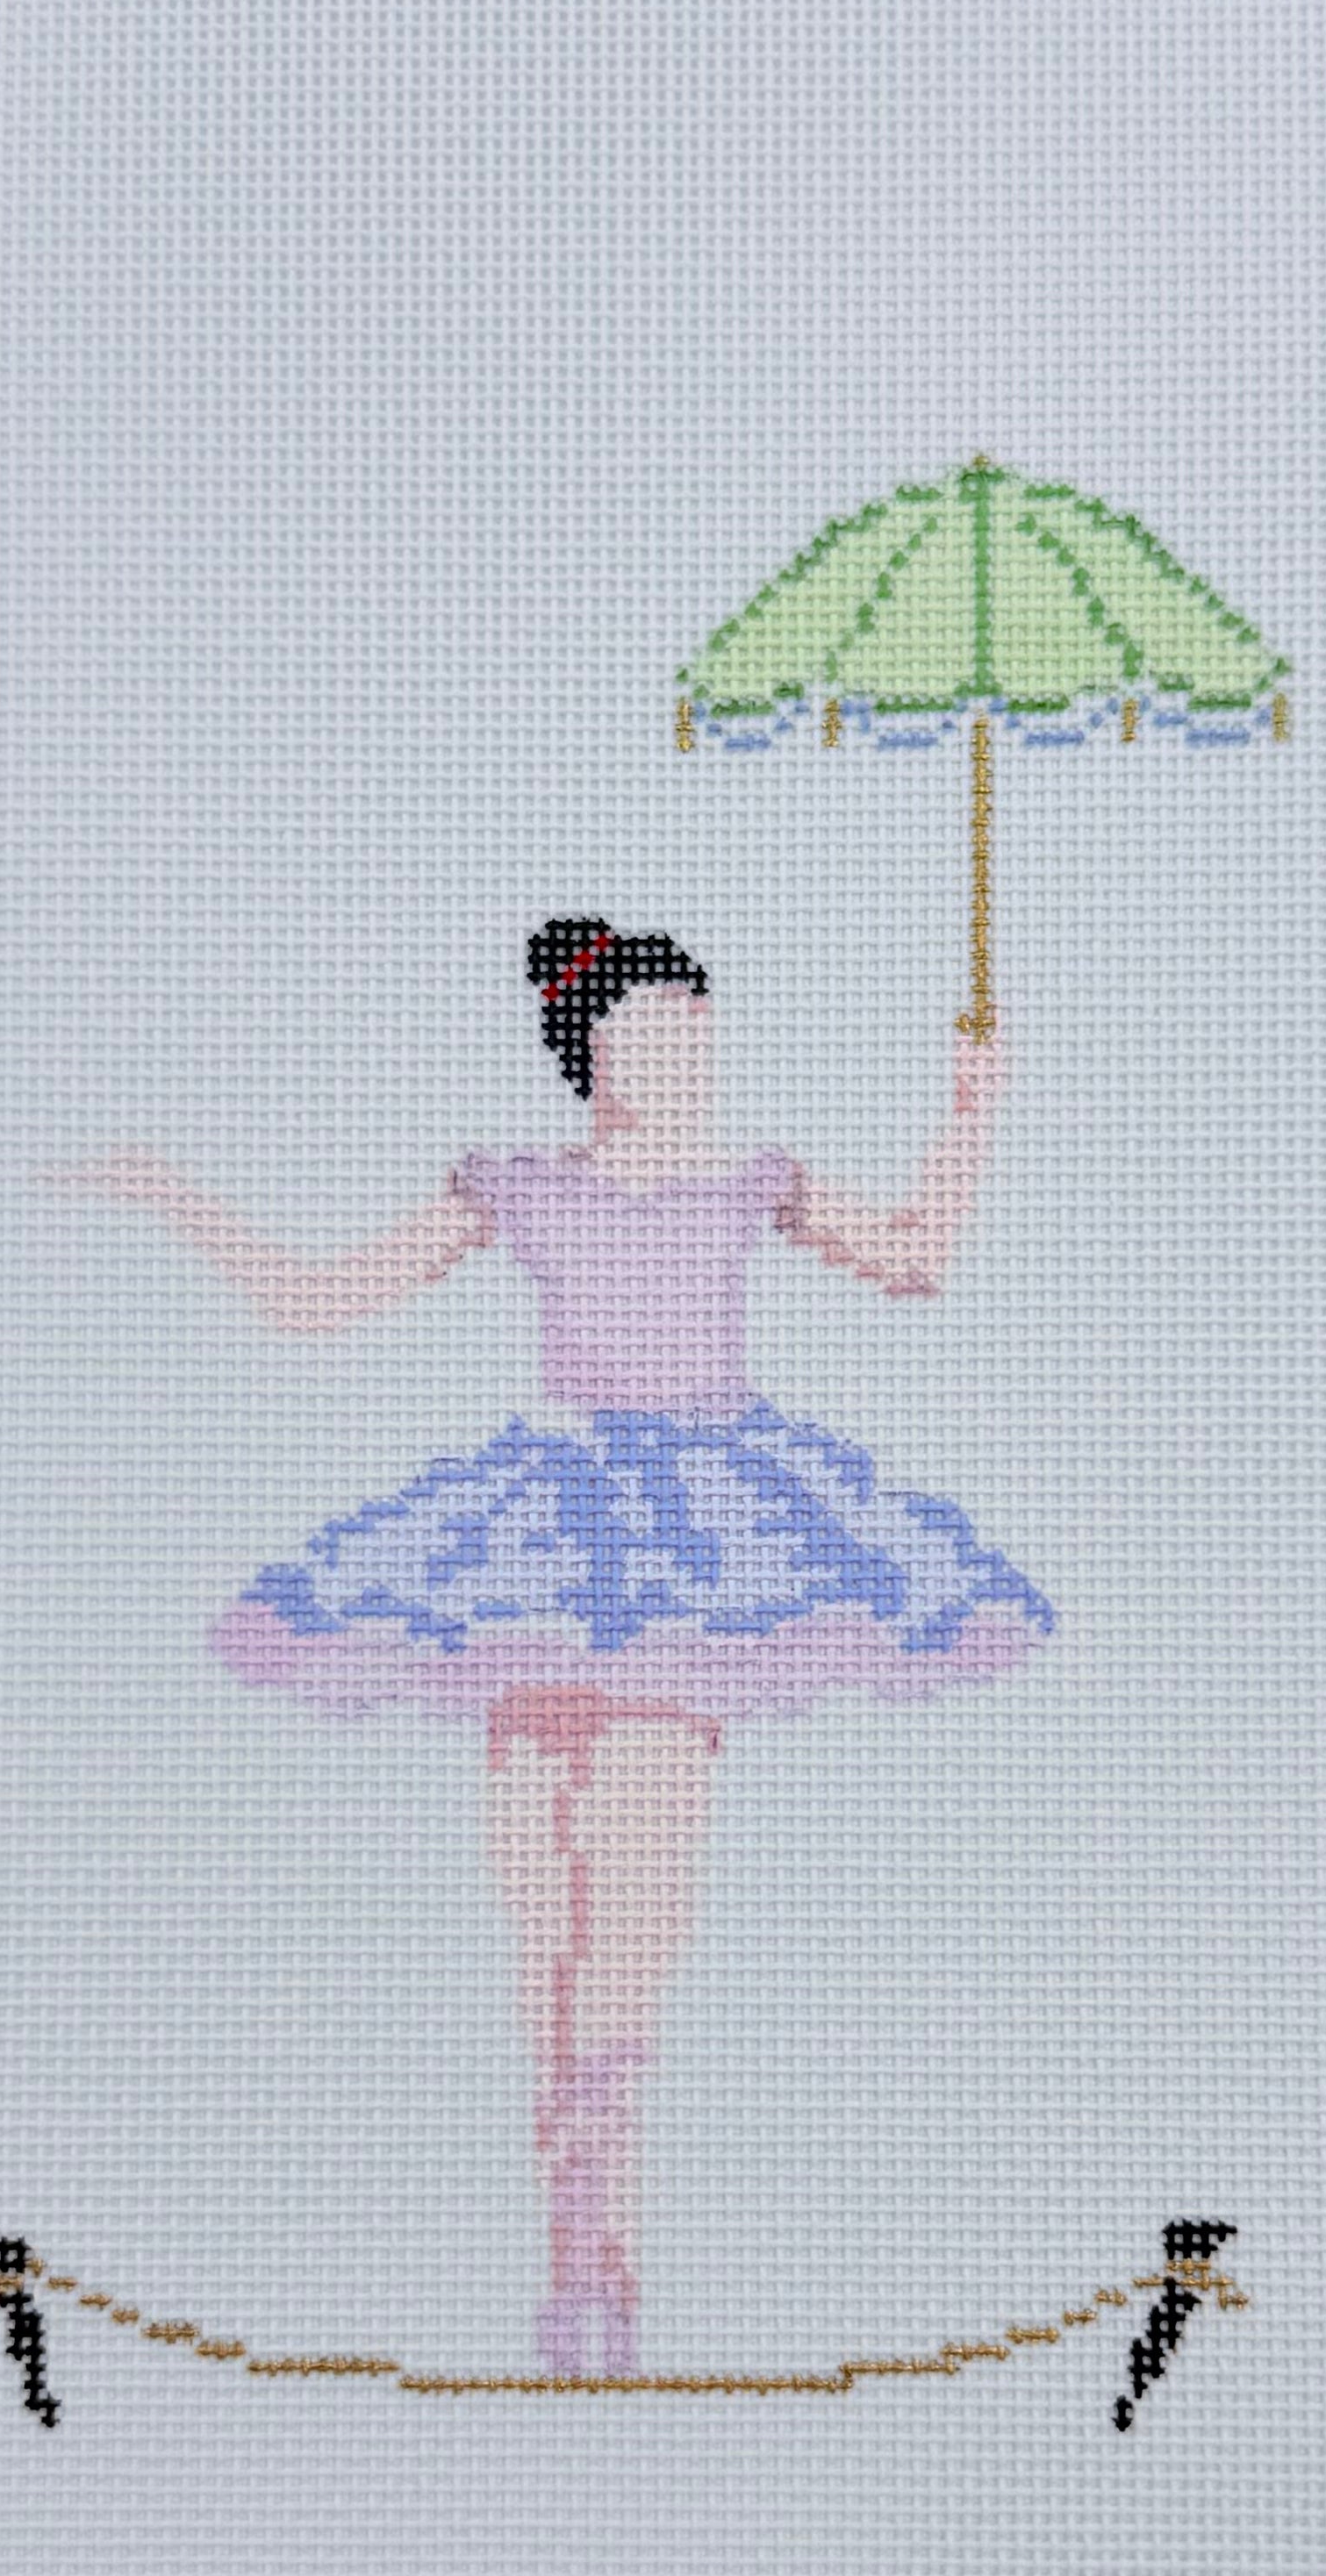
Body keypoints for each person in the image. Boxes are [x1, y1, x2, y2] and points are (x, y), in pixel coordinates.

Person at [56, 918, 1052, 2379]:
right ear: (593, 1053)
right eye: (656, 1035)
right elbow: (320, 1298)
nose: (687, 1059)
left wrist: (969, 1116)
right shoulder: (518, 1186)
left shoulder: (750, 1180)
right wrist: (173, 1200)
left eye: (699, 1034)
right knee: (544, 1927)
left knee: (633, 1909)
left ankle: (606, 2266)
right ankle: (569, 2260)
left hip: (704, 1547)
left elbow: (912, 1261)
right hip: (536, 1545)